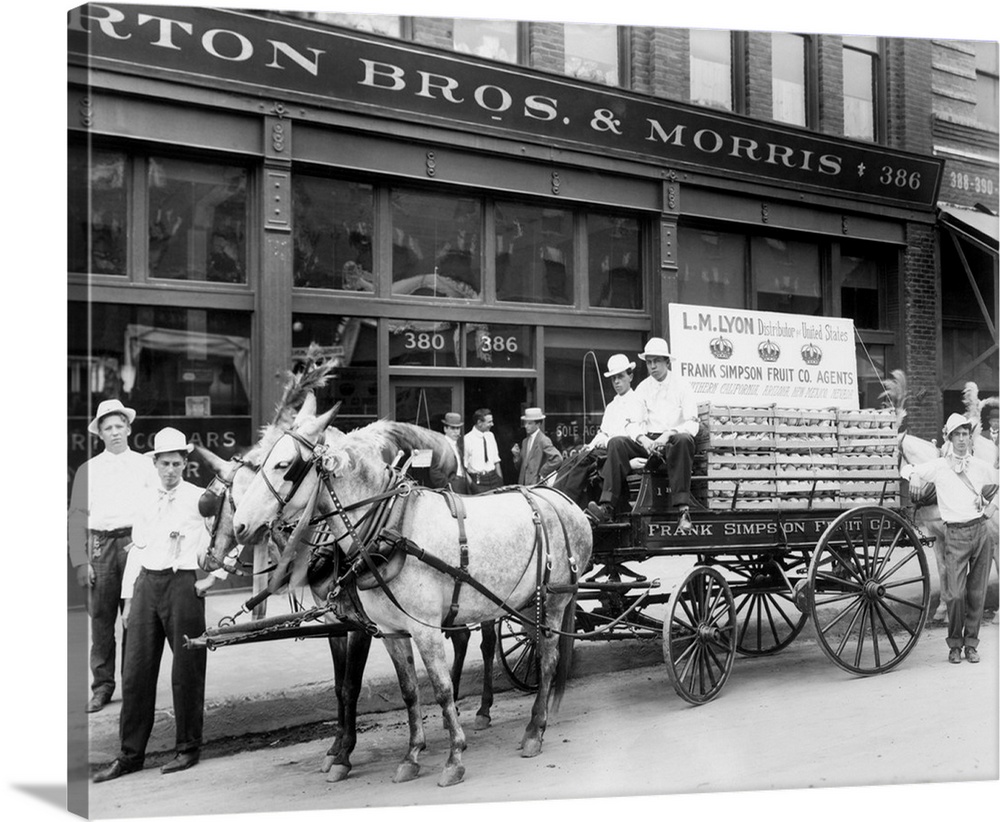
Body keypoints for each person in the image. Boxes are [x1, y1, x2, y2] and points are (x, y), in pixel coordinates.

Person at [93, 428, 225, 782]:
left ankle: (187, 748)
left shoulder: (200, 499)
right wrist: (127, 599)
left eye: (176, 463)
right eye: (164, 463)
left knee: (187, 670)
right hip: (146, 586)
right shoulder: (145, 498)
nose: (170, 469)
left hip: (183, 586)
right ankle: (130, 755)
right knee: (135, 673)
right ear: (154, 463)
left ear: (185, 463)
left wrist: (214, 578)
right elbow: (137, 548)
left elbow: (229, 539)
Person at [68, 399, 158, 713]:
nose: (115, 432)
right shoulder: (88, 470)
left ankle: (132, 685)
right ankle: (102, 687)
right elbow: (77, 516)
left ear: (129, 429)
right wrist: (81, 562)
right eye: (108, 428)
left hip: (135, 543)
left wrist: (150, 548)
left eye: (120, 426)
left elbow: (155, 508)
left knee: (135, 619)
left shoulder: (146, 465)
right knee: (102, 620)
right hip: (101, 547)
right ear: (100, 434)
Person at [901, 413, 998, 664]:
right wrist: (913, 476)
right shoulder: (940, 466)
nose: (962, 439)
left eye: (966, 434)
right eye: (958, 435)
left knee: (977, 594)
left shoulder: (979, 466)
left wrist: (993, 506)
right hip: (954, 534)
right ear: (950, 438)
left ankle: (971, 645)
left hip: (980, 531)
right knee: (955, 594)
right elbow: (908, 466)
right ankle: (954, 643)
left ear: (970, 438)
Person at [587, 338, 699, 533]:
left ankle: (683, 510)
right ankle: (608, 506)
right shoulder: (642, 388)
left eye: (656, 361)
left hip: (673, 441)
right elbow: (632, 423)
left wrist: (669, 434)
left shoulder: (682, 386)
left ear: (667, 362)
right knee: (617, 442)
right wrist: (642, 439)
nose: (652, 366)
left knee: (683, 439)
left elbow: (692, 422)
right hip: (649, 444)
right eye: (648, 362)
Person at [552, 354, 644, 507]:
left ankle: (567, 503)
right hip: (605, 448)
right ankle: (555, 497)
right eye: (613, 378)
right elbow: (603, 431)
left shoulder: (638, 402)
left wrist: (604, 442)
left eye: (620, 377)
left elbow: (634, 433)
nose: (616, 382)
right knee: (572, 459)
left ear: (630, 376)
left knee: (582, 462)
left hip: (622, 449)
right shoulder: (612, 406)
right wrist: (590, 445)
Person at [511, 407, 563, 486]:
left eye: (529, 423)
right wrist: (517, 456)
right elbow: (521, 467)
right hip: (523, 485)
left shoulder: (543, 440)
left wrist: (542, 472)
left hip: (536, 484)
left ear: (538, 424)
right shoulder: (525, 441)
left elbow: (557, 458)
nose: (526, 426)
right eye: (525, 423)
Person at [464, 408, 504, 494]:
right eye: (489, 422)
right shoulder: (467, 439)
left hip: (494, 480)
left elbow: (496, 461)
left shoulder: (490, 436)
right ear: (479, 423)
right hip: (478, 482)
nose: (492, 424)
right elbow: (463, 468)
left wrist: (500, 481)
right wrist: (473, 487)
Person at [437, 411, 470, 494]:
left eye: (458, 428)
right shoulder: (441, 446)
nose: (456, 432)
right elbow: (435, 472)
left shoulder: (456, 445)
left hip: (462, 483)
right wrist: (448, 485)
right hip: (451, 486)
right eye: (452, 428)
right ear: (445, 429)